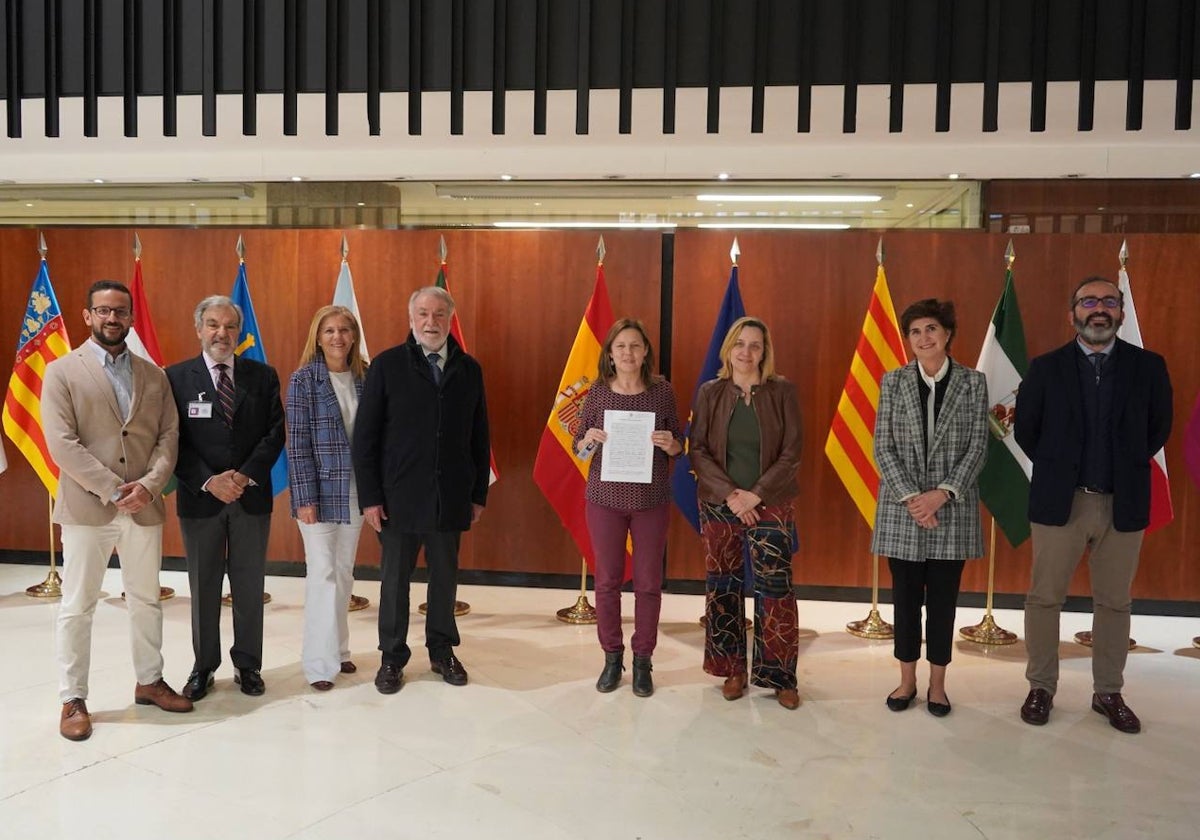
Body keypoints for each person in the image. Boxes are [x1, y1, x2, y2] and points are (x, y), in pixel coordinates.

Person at [1015, 276, 1172, 734]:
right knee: (1044, 598)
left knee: (1114, 603)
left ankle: (1108, 691)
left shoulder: (1149, 367)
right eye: (1088, 302)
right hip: (1061, 502)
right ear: (1073, 314)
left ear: (1120, 313)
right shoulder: (1046, 368)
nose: (1098, 309)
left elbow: (1157, 429)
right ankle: (1041, 687)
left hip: (1122, 503)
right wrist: (1061, 464)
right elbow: (1028, 430)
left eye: (1108, 301)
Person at [42, 280, 192, 740]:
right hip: (88, 508)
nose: (113, 319)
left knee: (145, 599)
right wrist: (113, 489)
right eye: (103, 311)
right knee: (78, 605)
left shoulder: (154, 375)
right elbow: (62, 444)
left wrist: (148, 487)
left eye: (120, 312)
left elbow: (169, 437)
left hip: (143, 508)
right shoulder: (63, 372)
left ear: (130, 317)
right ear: (87, 316)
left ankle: (149, 681)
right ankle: (73, 697)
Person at [352, 285, 490, 694]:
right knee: (395, 580)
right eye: (424, 315)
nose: (432, 322)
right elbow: (365, 439)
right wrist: (370, 497)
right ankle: (392, 657)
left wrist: (478, 492)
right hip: (397, 498)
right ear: (411, 319)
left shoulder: (469, 369)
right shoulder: (387, 365)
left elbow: (480, 436)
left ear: (450, 319)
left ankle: (442, 650)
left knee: (445, 577)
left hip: (451, 495)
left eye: (440, 314)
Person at [872, 299, 988, 717]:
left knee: (943, 602)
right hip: (902, 511)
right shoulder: (892, 381)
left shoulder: (974, 383)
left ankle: (938, 686)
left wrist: (943, 493)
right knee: (904, 601)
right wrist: (912, 498)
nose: (924, 338)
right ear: (908, 339)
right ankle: (907, 681)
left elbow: (978, 447)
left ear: (948, 334)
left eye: (932, 329)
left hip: (951, 512)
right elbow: (882, 447)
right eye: (915, 331)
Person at [166, 295, 286, 701]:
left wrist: (244, 475)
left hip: (250, 497)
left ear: (240, 331)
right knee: (203, 587)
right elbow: (171, 441)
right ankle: (203, 667)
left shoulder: (263, 375)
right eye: (213, 324)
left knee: (249, 585)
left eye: (230, 326)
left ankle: (248, 665)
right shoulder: (175, 377)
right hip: (201, 500)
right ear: (199, 328)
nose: (222, 333)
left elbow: (275, 433)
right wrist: (208, 480)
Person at [689, 316, 803, 710]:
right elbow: (698, 450)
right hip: (720, 505)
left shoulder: (782, 391)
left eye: (755, 345)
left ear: (765, 352)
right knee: (724, 587)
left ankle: (780, 676)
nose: (746, 352)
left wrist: (755, 495)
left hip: (772, 504)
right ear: (729, 349)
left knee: (776, 590)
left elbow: (791, 453)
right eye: (740, 344)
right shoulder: (710, 392)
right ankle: (731, 668)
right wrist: (732, 495)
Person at [574, 319, 683, 697]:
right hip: (605, 500)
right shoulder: (598, 394)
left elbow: (679, 446)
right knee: (606, 581)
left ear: (646, 352)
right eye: (620, 347)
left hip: (650, 500)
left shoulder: (662, 392)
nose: (628, 353)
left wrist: (670, 444)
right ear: (610, 353)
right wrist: (588, 438)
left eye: (635, 346)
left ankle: (642, 660)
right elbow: (580, 450)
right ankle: (611, 656)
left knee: (649, 583)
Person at [286, 306, 368, 691]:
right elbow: (297, 445)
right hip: (317, 494)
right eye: (329, 331)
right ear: (317, 338)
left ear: (353, 336)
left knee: (344, 571)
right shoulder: (304, 380)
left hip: (357, 491)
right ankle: (319, 665)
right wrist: (304, 497)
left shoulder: (366, 376)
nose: (337, 337)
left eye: (344, 330)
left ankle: (340, 650)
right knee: (322, 574)